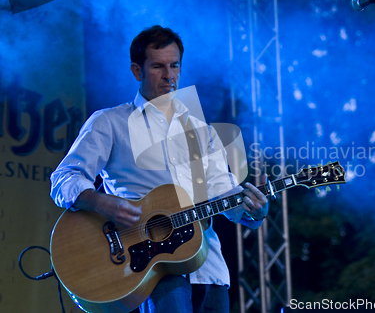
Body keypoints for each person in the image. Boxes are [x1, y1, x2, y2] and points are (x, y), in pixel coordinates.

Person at [50, 25, 269, 313]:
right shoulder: (109, 122)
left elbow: (223, 194)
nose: (169, 76)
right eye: (158, 66)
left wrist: (254, 211)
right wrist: (102, 202)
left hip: (210, 267)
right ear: (137, 71)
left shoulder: (203, 132)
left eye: (175, 65)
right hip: (150, 266)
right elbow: (64, 178)